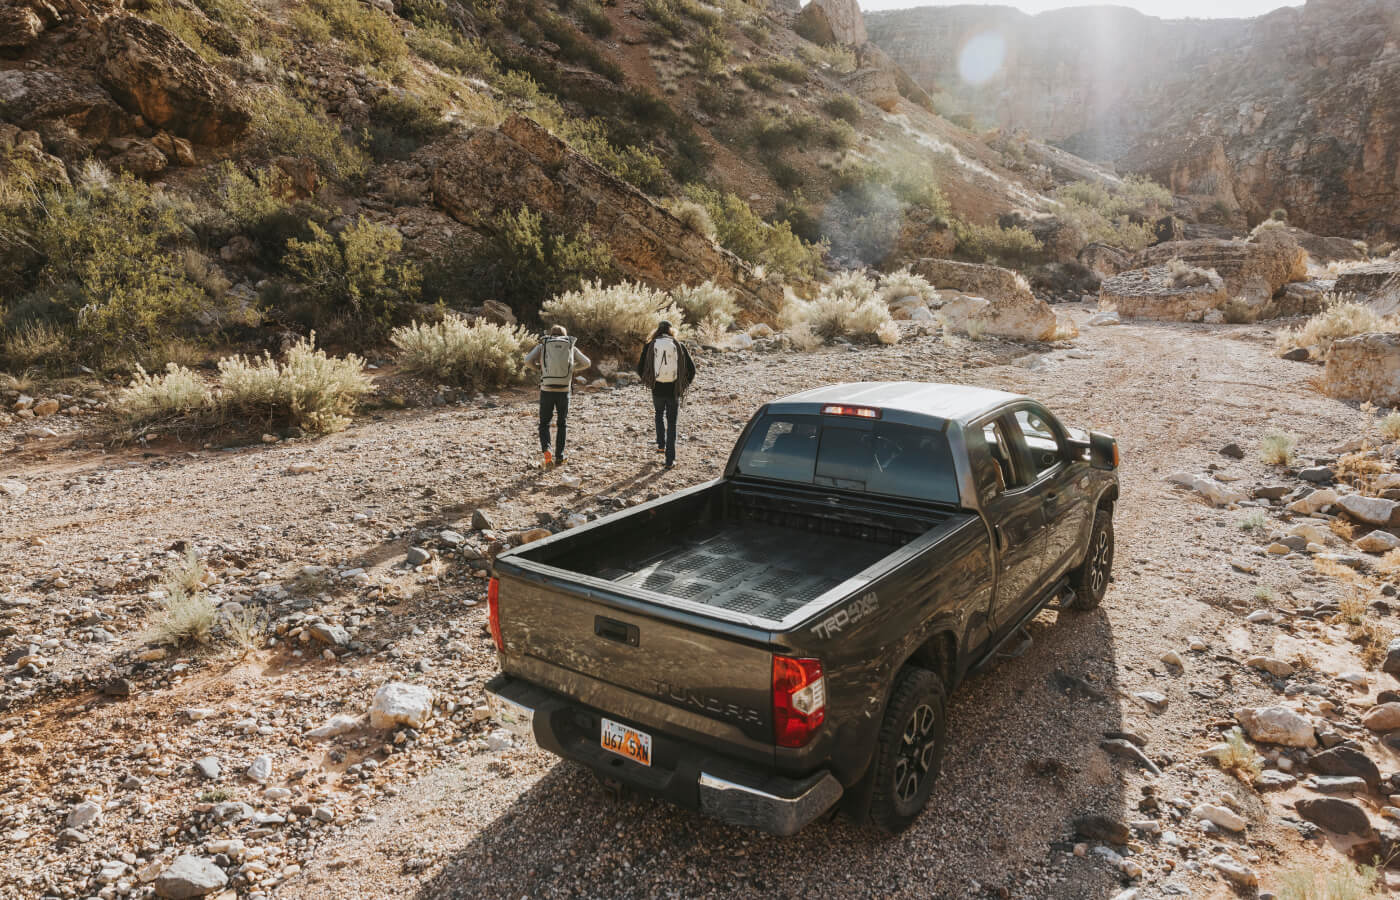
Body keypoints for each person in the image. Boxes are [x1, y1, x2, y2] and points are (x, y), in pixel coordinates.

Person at [524, 325, 590, 468]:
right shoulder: (570, 345)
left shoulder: (544, 345)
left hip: (547, 389)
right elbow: (587, 363)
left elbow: (527, 360)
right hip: (564, 390)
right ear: (564, 334)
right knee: (562, 423)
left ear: (551, 333)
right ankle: (560, 456)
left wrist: (540, 368)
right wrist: (571, 369)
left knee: (544, 424)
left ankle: (547, 453)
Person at [636, 320, 696, 469]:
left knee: (658, 414)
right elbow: (692, 370)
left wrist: (651, 383)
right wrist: (682, 385)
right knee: (672, 423)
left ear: (657, 331)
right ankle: (669, 460)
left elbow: (640, 369)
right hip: (673, 390)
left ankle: (660, 445)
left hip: (657, 389)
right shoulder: (678, 346)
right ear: (671, 331)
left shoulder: (650, 346)